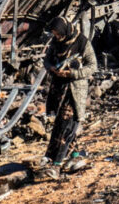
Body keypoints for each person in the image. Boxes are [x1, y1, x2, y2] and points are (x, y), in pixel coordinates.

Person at [40, 17, 97, 173]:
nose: (57, 37)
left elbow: (92, 66)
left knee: (65, 126)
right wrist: (51, 68)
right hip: (59, 90)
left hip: (74, 90)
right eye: (54, 34)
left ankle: (56, 164)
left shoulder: (82, 42)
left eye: (58, 34)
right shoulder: (55, 43)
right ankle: (75, 155)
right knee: (64, 124)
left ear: (66, 30)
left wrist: (72, 73)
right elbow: (47, 61)